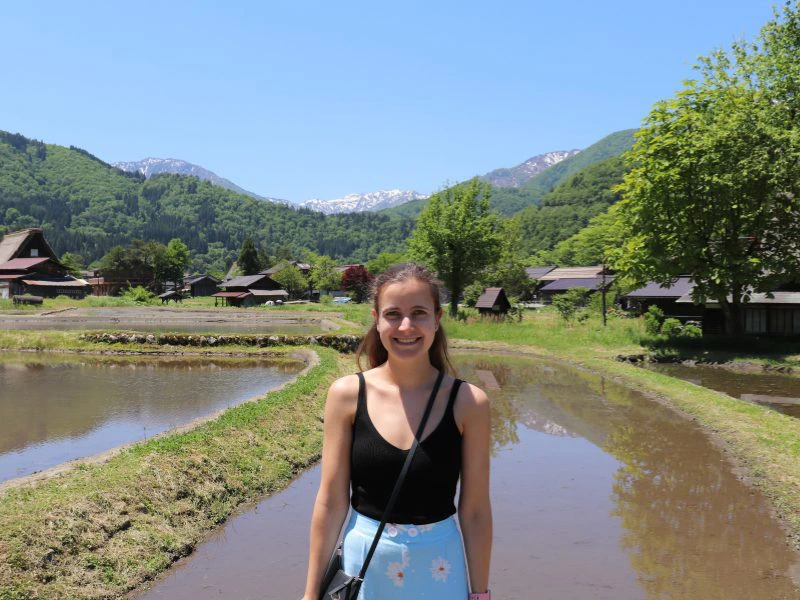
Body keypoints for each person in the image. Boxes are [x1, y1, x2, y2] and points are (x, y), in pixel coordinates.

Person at [300, 263, 492, 600]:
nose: (406, 326)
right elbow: (331, 503)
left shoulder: (469, 403)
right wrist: (310, 593)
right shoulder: (347, 395)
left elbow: (475, 512)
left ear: (437, 318)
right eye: (393, 314)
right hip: (364, 568)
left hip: (440, 568)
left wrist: (480, 594)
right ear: (376, 318)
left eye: (419, 313)